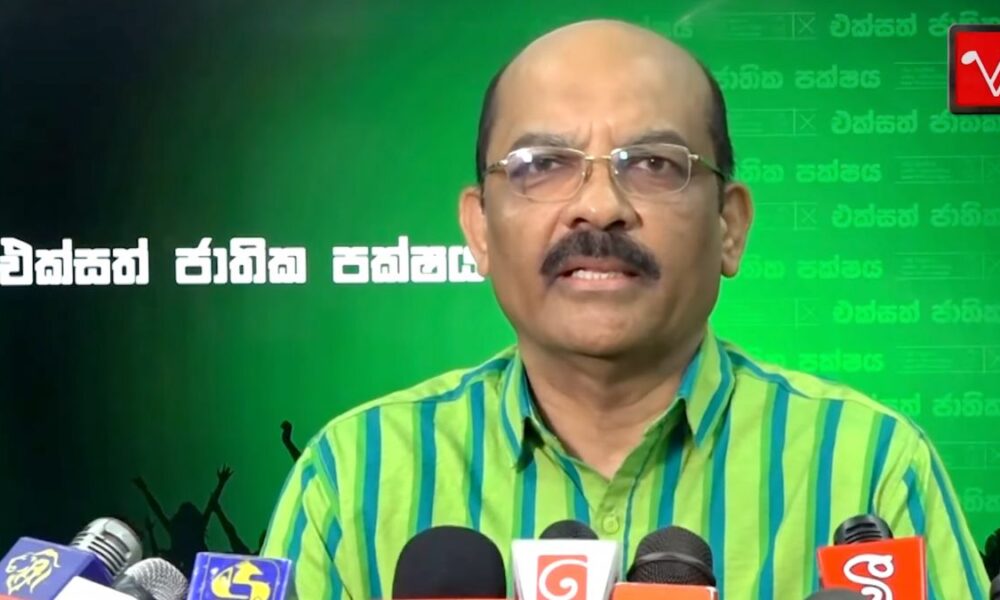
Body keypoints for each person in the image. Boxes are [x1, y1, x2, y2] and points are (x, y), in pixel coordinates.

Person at [261, 19, 990, 599]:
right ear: (480, 229)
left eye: (653, 164)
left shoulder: (869, 465)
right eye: (542, 165)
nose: (599, 207)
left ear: (729, 226)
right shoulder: (353, 477)